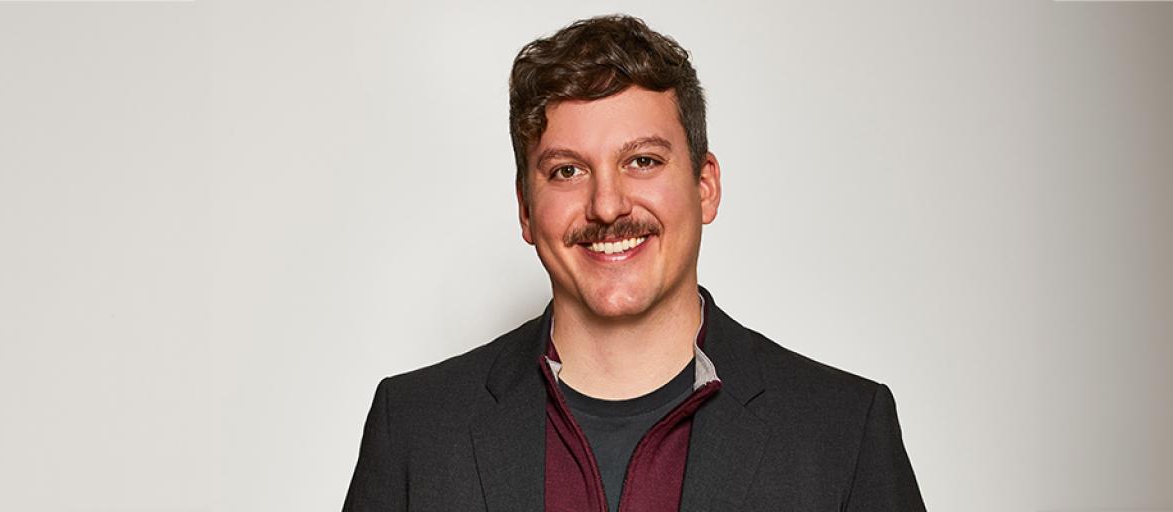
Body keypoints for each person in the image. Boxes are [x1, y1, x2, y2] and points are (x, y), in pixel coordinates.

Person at [342, 14, 926, 512]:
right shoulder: (414, 429)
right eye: (567, 170)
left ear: (705, 187)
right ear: (525, 210)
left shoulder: (844, 434)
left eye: (642, 161)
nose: (607, 205)